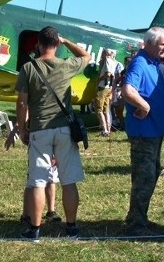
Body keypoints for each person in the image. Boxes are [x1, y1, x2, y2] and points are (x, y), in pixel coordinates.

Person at [15, 26, 91, 242]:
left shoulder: (28, 68)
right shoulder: (67, 65)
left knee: (38, 181)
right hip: (65, 129)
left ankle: (35, 230)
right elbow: (86, 56)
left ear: (38, 44)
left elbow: (22, 102)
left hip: (40, 129)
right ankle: (72, 228)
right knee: (68, 181)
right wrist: (66, 41)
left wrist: (22, 128)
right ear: (56, 44)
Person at [120, 27, 164, 236]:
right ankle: (136, 225)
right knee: (144, 177)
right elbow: (128, 90)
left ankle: (138, 217)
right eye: (161, 44)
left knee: (150, 175)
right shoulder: (140, 62)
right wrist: (145, 106)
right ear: (148, 44)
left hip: (154, 131)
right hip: (144, 132)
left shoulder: (153, 63)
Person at [94, 50, 119, 137]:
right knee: (106, 109)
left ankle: (104, 129)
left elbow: (108, 74)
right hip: (108, 87)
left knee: (99, 109)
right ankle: (108, 129)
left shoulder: (107, 60)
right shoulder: (113, 62)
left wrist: (99, 79)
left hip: (103, 87)